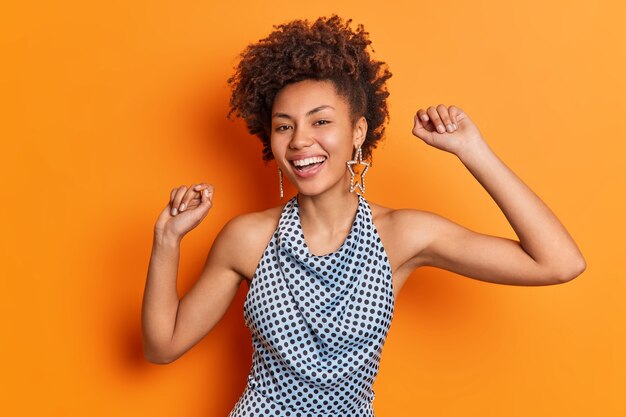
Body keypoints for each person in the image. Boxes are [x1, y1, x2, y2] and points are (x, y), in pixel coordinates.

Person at [141, 15, 586, 416]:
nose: (299, 141)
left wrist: (472, 150)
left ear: (358, 131)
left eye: (320, 122)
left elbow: (559, 263)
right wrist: (167, 239)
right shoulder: (248, 237)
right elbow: (162, 347)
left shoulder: (402, 235)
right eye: (283, 126)